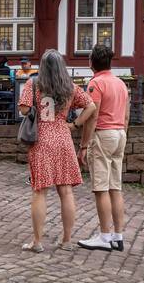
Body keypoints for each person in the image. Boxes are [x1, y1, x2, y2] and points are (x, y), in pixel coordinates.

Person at [18, 50, 95, 253]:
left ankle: (37, 241)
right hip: (63, 138)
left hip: (41, 139)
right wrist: (76, 124)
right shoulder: (70, 87)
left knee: (40, 191)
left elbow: (24, 110)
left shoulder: (33, 84)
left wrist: (36, 107)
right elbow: (91, 106)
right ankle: (67, 240)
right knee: (66, 191)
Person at [76, 44, 130, 253]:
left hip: (103, 134)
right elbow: (125, 116)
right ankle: (118, 235)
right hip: (119, 134)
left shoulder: (95, 84)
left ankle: (104, 236)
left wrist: (83, 145)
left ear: (91, 62)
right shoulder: (120, 83)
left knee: (101, 188)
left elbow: (93, 116)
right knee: (115, 187)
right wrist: (122, 133)